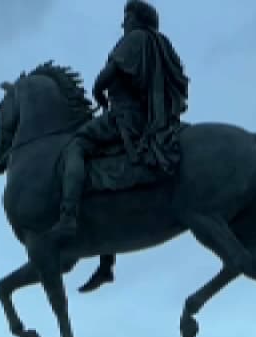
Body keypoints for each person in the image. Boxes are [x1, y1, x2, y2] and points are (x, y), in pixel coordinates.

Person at [51, 0, 190, 242]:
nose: (123, 23)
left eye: (126, 18)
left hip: (126, 117)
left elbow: (108, 75)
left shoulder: (135, 39)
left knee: (76, 145)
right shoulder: (162, 44)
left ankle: (68, 216)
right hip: (149, 115)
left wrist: (97, 92)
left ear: (136, 19)